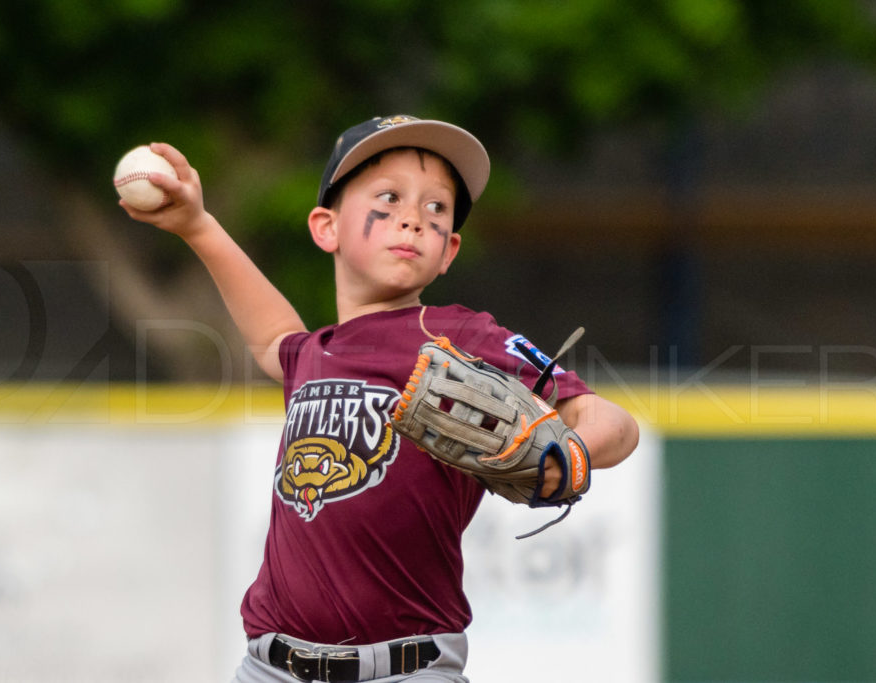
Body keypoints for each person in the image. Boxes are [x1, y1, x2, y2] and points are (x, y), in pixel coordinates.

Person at [120, 115, 639, 682]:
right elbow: (273, 339)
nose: (414, 218)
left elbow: (611, 421)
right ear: (326, 227)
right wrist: (199, 227)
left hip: (406, 668)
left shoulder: (459, 337)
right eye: (389, 198)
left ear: (449, 252)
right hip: (270, 666)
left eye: (436, 209)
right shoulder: (315, 353)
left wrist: (574, 453)